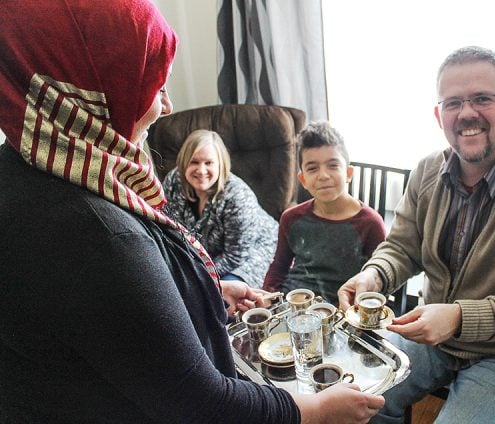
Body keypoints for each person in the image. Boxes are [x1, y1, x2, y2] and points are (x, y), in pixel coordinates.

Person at [0, 1, 384, 423]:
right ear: (99, 84)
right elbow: (204, 405)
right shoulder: (100, 234)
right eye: (154, 83)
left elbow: (111, 318)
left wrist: (204, 292)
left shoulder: (25, 169)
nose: (166, 106)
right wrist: (320, 409)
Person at [338, 46, 495, 423]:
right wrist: (375, 274)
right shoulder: (426, 171)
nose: (467, 113)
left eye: (482, 99)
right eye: (454, 102)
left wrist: (458, 318)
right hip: (435, 334)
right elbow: (403, 247)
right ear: (439, 115)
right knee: (350, 402)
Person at [263, 121, 386, 303]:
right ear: (303, 179)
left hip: (342, 312)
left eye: (333, 165)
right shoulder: (291, 218)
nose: (323, 175)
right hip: (293, 305)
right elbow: (278, 268)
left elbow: (377, 282)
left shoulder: (370, 223)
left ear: (349, 173)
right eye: (312, 168)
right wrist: (266, 298)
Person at [162, 129, 278, 288]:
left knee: (220, 299)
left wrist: (195, 274)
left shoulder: (237, 196)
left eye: (208, 163)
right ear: (184, 162)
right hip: (205, 256)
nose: (201, 171)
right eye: (194, 162)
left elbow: (235, 256)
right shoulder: (173, 181)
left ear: (221, 164)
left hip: (249, 254)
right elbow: (168, 229)